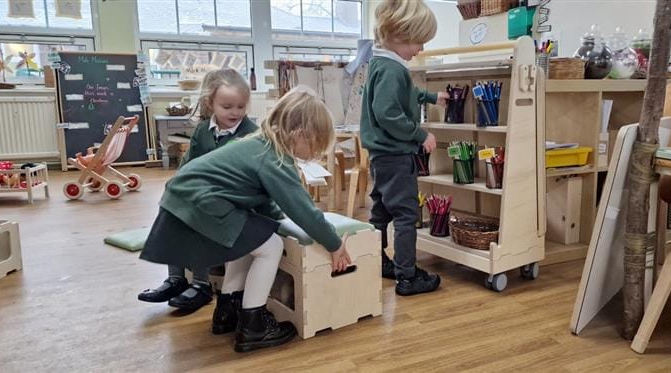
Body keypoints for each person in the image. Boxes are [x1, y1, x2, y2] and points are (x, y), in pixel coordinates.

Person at [140, 87, 352, 352]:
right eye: (314, 146)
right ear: (301, 135)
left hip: (187, 198)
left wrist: (277, 218)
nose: (313, 153)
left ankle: (229, 310)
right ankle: (253, 325)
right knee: (270, 246)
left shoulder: (259, 144)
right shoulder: (274, 157)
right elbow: (303, 209)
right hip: (201, 203)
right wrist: (334, 244)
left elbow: (264, 203)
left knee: (250, 239)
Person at [138, 69, 257, 311]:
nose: (235, 112)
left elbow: (251, 175)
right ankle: (176, 277)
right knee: (173, 204)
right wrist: (177, 184)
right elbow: (190, 162)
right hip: (203, 190)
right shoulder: (204, 130)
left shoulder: (250, 133)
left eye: (240, 107)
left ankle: (201, 285)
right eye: (227, 107)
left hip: (231, 199)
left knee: (199, 211)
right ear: (210, 103)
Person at [361, 0, 449, 296]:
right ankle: (408, 276)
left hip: (381, 156)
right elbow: (388, 112)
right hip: (396, 156)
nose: (421, 49)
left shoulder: (383, 63)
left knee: (381, 213)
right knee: (406, 216)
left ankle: (378, 262)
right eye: (418, 42)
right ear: (399, 35)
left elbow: (405, 94)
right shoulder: (392, 70)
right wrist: (419, 135)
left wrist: (431, 97)